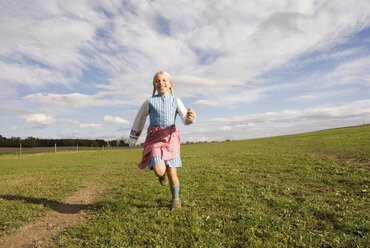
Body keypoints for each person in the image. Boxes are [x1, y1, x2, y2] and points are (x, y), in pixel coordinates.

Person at [129, 71, 196, 210]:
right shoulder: (149, 102)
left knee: (172, 173)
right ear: (154, 85)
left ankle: (175, 200)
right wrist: (133, 139)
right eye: (158, 81)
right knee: (160, 171)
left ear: (170, 84)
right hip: (154, 139)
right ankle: (161, 174)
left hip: (171, 139)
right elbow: (139, 119)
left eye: (164, 80)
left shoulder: (176, 101)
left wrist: (190, 118)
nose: (161, 83)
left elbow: (185, 119)